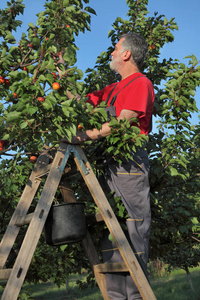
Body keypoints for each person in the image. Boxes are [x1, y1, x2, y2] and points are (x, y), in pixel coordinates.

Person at [62, 32, 155, 300]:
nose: (112, 53)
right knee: (110, 231)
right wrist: (60, 72)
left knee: (133, 227)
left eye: (115, 48)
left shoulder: (141, 83)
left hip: (129, 163)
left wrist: (84, 136)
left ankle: (137, 296)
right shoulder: (113, 89)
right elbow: (81, 103)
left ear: (127, 54)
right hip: (106, 164)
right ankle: (116, 297)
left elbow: (123, 122)